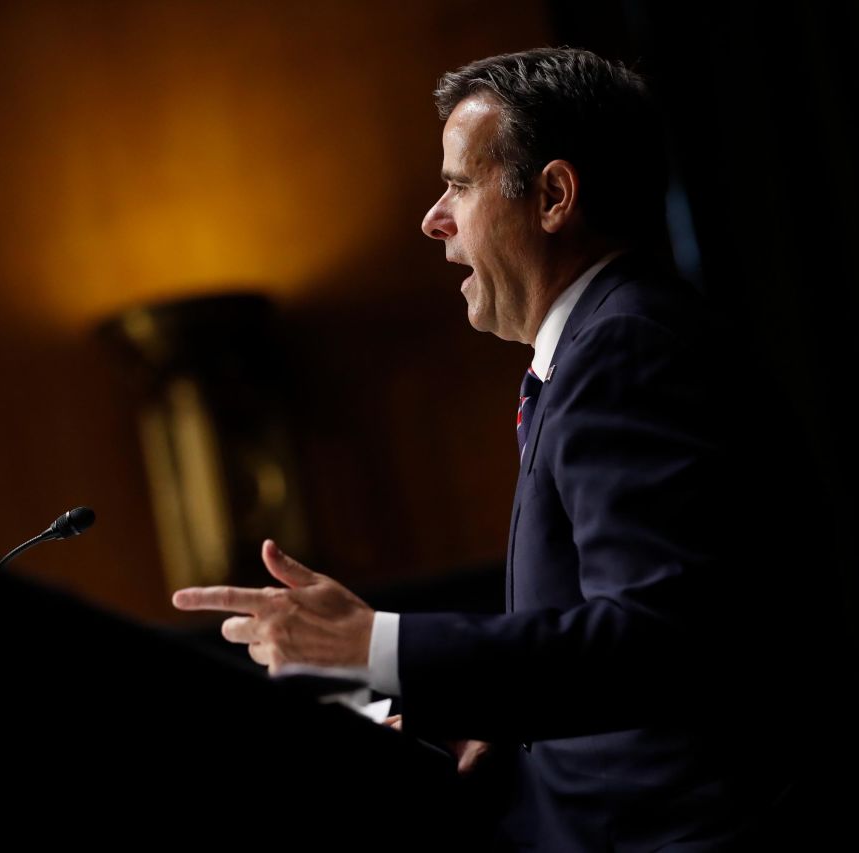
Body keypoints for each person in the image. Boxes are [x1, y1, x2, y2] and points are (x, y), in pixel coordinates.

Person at [173, 47, 808, 850]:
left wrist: (374, 645)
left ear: (552, 196)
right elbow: (592, 633)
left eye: (460, 185)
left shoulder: (627, 349)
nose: (434, 218)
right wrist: (474, 719)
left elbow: (656, 640)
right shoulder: (599, 343)